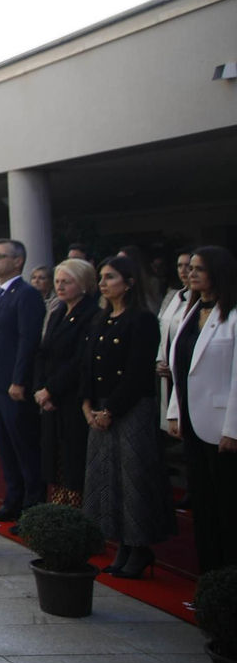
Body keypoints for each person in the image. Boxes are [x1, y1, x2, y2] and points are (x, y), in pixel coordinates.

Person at [83, 253, 176, 578]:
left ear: (129, 283)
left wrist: (110, 410)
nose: (103, 283)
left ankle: (139, 547)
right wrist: (88, 405)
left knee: (133, 478)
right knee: (107, 479)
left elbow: (138, 373)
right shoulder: (101, 318)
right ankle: (121, 542)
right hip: (99, 408)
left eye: (110, 277)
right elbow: (89, 364)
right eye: (102, 277)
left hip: (129, 408)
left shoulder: (142, 320)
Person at [166, 245, 237, 572]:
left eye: (199, 269)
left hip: (222, 426)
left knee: (227, 506)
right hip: (193, 422)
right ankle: (210, 577)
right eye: (189, 267)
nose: (190, 274)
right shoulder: (190, 312)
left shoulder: (234, 315)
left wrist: (232, 430)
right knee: (204, 506)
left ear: (218, 273)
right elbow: (180, 367)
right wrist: (175, 410)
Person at [0, 239, 46, 525]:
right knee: (4, 447)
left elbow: (28, 341)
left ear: (18, 262)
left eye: (0, 257)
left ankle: (32, 508)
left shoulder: (26, 294)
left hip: (14, 387)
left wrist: (19, 380)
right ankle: (12, 501)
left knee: (24, 448)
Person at [32, 259, 97, 507]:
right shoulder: (58, 311)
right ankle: (59, 509)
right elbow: (42, 352)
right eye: (57, 281)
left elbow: (79, 360)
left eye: (66, 282)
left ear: (83, 284)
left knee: (72, 457)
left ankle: (76, 512)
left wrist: (51, 390)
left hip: (70, 398)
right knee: (54, 457)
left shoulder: (90, 314)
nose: (59, 286)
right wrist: (39, 389)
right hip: (49, 398)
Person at [157, 250, 193, 436]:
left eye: (189, 265)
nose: (184, 270)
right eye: (180, 265)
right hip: (167, 371)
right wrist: (159, 360)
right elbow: (162, 327)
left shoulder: (206, 300)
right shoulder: (173, 296)